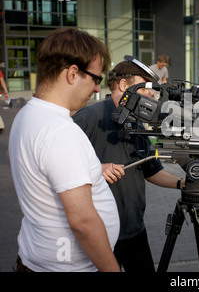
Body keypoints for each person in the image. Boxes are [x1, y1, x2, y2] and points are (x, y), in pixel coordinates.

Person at [8, 27, 120, 272]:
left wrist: (86, 172)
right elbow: (82, 222)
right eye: (96, 79)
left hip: (35, 261)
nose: (96, 89)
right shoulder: (60, 131)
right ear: (72, 74)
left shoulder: (26, 115)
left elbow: (38, 167)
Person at [73, 58, 186, 272]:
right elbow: (61, 169)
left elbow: (151, 171)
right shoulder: (87, 119)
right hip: (100, 234)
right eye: (145, 87)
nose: (151, 94)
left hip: (135, 230)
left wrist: (182, 183)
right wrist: (98, 169)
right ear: (124, 86)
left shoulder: (136, 121)